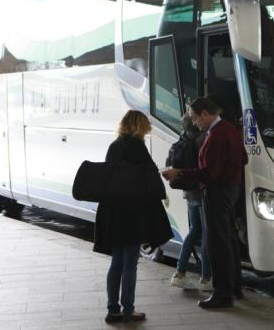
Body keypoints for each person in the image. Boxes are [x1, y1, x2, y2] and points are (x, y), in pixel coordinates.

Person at [162, 97, 248, 309]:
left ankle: (222, 294)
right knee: (229, 239)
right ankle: (235, 287)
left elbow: (209, 174)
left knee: (217, 243)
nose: (194, 123)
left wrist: (178, 172)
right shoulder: (230, 129)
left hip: (218, 192)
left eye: (194, 118)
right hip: (231, 189)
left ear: (205, 114)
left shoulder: (217, 135)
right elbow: (243, 158)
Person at [94, 110, 172, 323]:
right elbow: (150, 174)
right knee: (130, 263)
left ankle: (112, 309)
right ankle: (128, 309)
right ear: (140, 126)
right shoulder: (136, 146)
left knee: (116, 261)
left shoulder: (115, 145)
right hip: (131, 212)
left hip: (112, 210)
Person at [168, 113, 212, 291]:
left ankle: (180, 272)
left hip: (188, 192)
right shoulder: (204, 139)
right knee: (206, 234)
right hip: (201, 191)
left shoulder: (182, 138)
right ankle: (206, 277)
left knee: (194, 230)